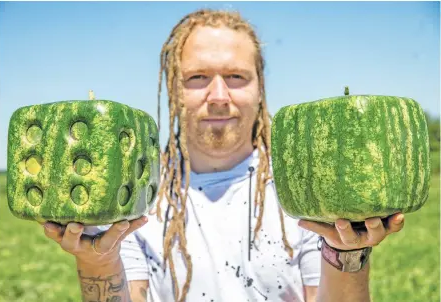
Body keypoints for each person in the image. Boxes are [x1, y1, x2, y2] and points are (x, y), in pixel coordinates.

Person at [42, 8, 405, 302]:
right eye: (197, 77)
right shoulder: (136, 197)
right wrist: (97, 261)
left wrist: (346, 256)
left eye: (235, 76)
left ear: (260, 87)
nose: (218, 95)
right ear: (174, 90)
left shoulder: (304, 190)